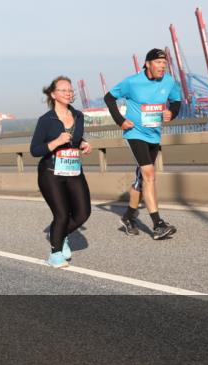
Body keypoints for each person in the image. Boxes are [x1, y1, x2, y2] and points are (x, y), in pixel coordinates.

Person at [104, 48, 182, 239]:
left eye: (164, 63)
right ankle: (158, 224)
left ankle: (128, 217)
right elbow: (109, 97)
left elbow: (177, 101)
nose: (162, 66)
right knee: (149, 174)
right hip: (135, 133)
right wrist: (120, 121)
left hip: (154, 134)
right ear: (147, 64)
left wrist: (172, 113)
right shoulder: (132, 82)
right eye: (158, 62)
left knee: (141, 179)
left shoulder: (169, 81)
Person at [30, 76, 93, 268]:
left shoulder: (79, 116)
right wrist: (56, 142)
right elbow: (35, 150)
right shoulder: (46, 120)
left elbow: (75, 139)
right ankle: (55, 253)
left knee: (83, 213)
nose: (68, 93)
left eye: (70, 90)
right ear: (53, 94)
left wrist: (82, 143)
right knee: (62, 214)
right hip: (51, 172)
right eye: (63, 90)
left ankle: (58, 233)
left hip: (73, 170)